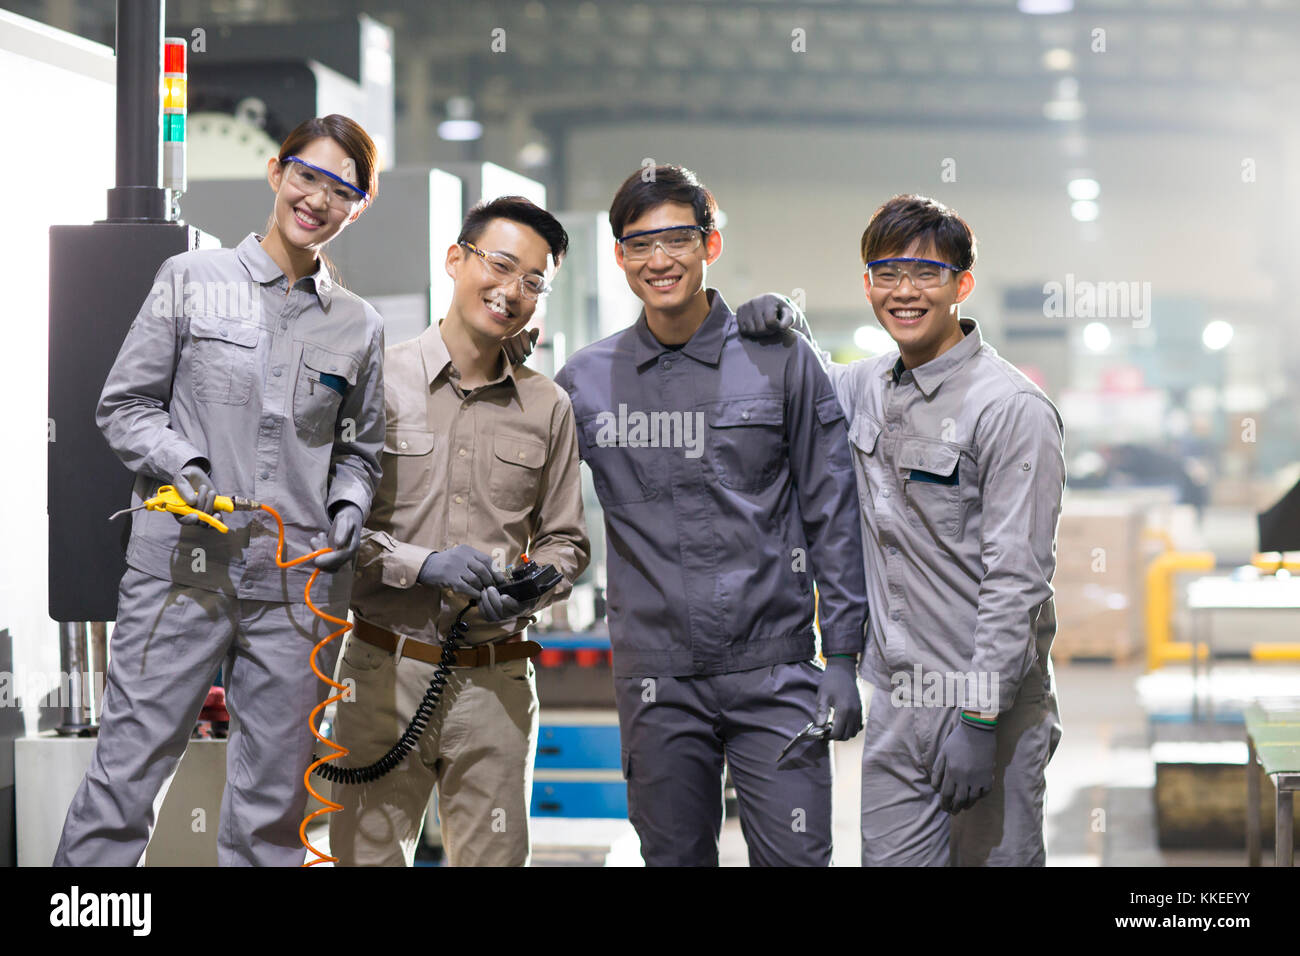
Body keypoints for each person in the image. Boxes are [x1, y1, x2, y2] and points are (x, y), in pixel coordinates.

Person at [55, 115, 386, 867]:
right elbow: (124, 405)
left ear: (357, 208)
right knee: (123, 781)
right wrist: (186, 464)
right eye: (307, 176)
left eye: (342, 190)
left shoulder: (358, 326)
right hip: (181, 572)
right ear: (277, 172)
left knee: (274, 807)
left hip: (296, 586)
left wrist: (349, 509)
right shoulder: (190, 281)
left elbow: (360, 452)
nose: (317, 200)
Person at [737, 193, 1066, 866]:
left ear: (961, 286)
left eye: (926, 274)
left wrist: (978, 720)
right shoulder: (866, 388)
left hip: (989, 706)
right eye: (887, 273)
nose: (904, 291)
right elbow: (803, 388)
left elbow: (1016, 580)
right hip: (896, 702)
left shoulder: (1009, 410)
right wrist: (784, 321)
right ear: (867, 286)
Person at [554, 165, 868, 866]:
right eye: (640, 244)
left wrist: (844, 656)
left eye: (677, 239)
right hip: (657, 679)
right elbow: (526, 489)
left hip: (776, 672)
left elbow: (832, 509)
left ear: (709, 245)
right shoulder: (587, 378)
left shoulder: (779, 360)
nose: (659, 260)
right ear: (620, 257)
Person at [330, 197, 590, 867]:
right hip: (381, 673)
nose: (512, 292)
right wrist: (421, 564)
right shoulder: (376, 382)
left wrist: (532, 591)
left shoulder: (546, 406)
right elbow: (331, 530)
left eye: (534, 282)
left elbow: (567, 540)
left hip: (495, 682)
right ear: (456, 259)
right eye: (501, 266)